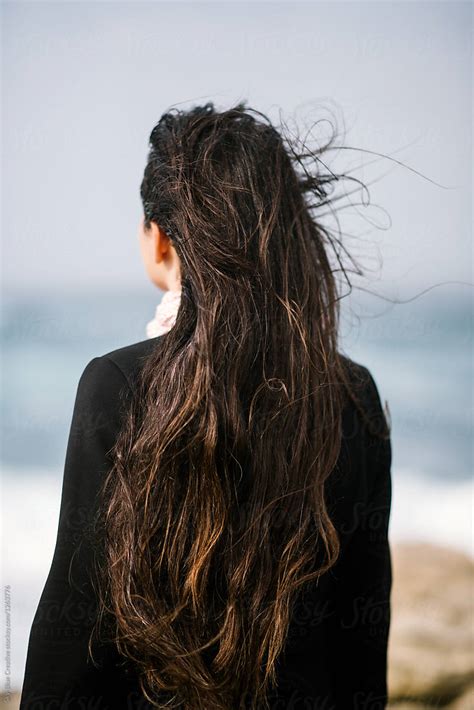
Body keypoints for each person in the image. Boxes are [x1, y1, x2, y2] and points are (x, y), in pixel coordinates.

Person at [19, 102, 392, 710]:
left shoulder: (119, 384)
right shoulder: (354, 395)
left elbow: (75, 624)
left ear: (159, 237)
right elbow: (361, 641)